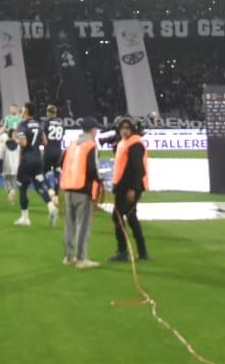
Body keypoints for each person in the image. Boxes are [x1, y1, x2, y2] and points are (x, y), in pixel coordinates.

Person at [60, 118, 101, 268]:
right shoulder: (91, 145)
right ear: (93, 130)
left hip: (68, 188)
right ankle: (81, 258)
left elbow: (61, 162)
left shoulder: (72, 144)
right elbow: (92, 169)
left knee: (69, 224)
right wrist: (99, 179)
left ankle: (69, 256)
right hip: (83, 189)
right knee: (83, 225)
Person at [108, 118, 149, 263]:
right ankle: (142, 252)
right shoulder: (126, 143)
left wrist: (134, 188)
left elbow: (139, 169)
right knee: (131, 219)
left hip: (129, 188)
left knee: (117, 216)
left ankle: (123, 251)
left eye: (127, 128)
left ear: (132, 129)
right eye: (122, 128)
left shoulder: (135, 145)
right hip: (123, 187)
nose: (124, 130)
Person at [13, 102, 57, 227]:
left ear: (26, 111)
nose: (21, 111)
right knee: (39, 186)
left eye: (22, 109)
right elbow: (45, 141)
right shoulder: (39, 124)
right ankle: (51, 206)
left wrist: (15, 139)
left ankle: (25, 218)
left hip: (26, 160)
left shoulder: (22, 125)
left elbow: (24, 143)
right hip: (38, 159)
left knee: (22, 188)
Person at [43, 105, 67, 195]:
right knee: (56, 172)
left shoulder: (46, 122)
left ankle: (49, 189)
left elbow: (43, 135)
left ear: (49, 112)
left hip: (48, 150)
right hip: (58, 151)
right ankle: (56, 193)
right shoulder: (61, 123)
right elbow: (62, 135)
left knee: (43, 172)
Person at [0, 122, 21, 203]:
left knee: (6, 180)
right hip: (16, 165)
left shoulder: (5, 144)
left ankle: (10, 190)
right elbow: (20, 155)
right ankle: (12, 195)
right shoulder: (18, 144)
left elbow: (1, 155)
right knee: (14, 181)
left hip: (7, 165)